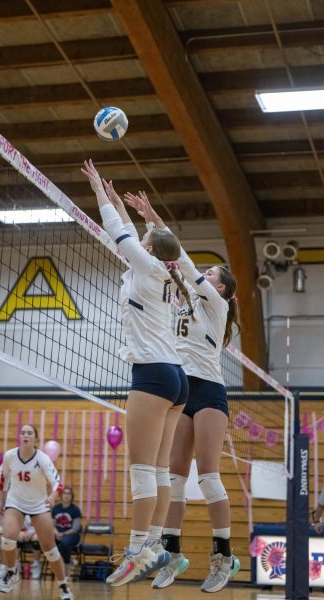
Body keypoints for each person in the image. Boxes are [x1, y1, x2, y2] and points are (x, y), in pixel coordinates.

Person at [124, 191, 241, 593]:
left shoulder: (216, 306)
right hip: (181, 388)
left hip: (210, 391)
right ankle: (171, 553)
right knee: (174, 477)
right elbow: (167, 263)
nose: (205, 276)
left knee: (208, 474)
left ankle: (224, 554)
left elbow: (183, 261)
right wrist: (152, 224)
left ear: (223, 289)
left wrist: (158, 217)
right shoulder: (186, 299)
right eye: (206, 274)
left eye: (213, 275)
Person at [81, 160, 191, 587]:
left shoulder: (146, 267)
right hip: (175, 378)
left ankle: (136, 549)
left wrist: (97, 193)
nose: (139, 242)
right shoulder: (165, 270)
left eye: (144, 239)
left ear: (149, 249)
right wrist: (118, 202)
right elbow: (135, 236)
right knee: (159, 471)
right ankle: (159, 546)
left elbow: (117, 231)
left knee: (143, 470)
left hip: (153, 376)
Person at [0, 424, 74, 599]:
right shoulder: (9, 456)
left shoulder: (43, 458)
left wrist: (53, 496)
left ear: (35, 439)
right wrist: (1, 500)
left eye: (29, 433)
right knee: (7, 539)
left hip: (39, 505)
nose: (25, 435)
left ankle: (63, 586)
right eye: (22, 432)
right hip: (15, 502)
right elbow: (3, 478)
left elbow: (58, 483)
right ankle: (11, 572)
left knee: (50, 550)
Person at [52, 487, 82, 576]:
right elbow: (52, 524)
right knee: (48, 543)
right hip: (57, 534)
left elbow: (76, 528)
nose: (66, 496)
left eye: (69, 494)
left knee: (63, 544)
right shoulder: (56, 508)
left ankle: (67, 562)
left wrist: (63, 533)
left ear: (72, 496)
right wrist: (56, 532)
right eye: (65, 493)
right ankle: (69, 561)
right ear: (61, 496)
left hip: (72, 535)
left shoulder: (75, 510)